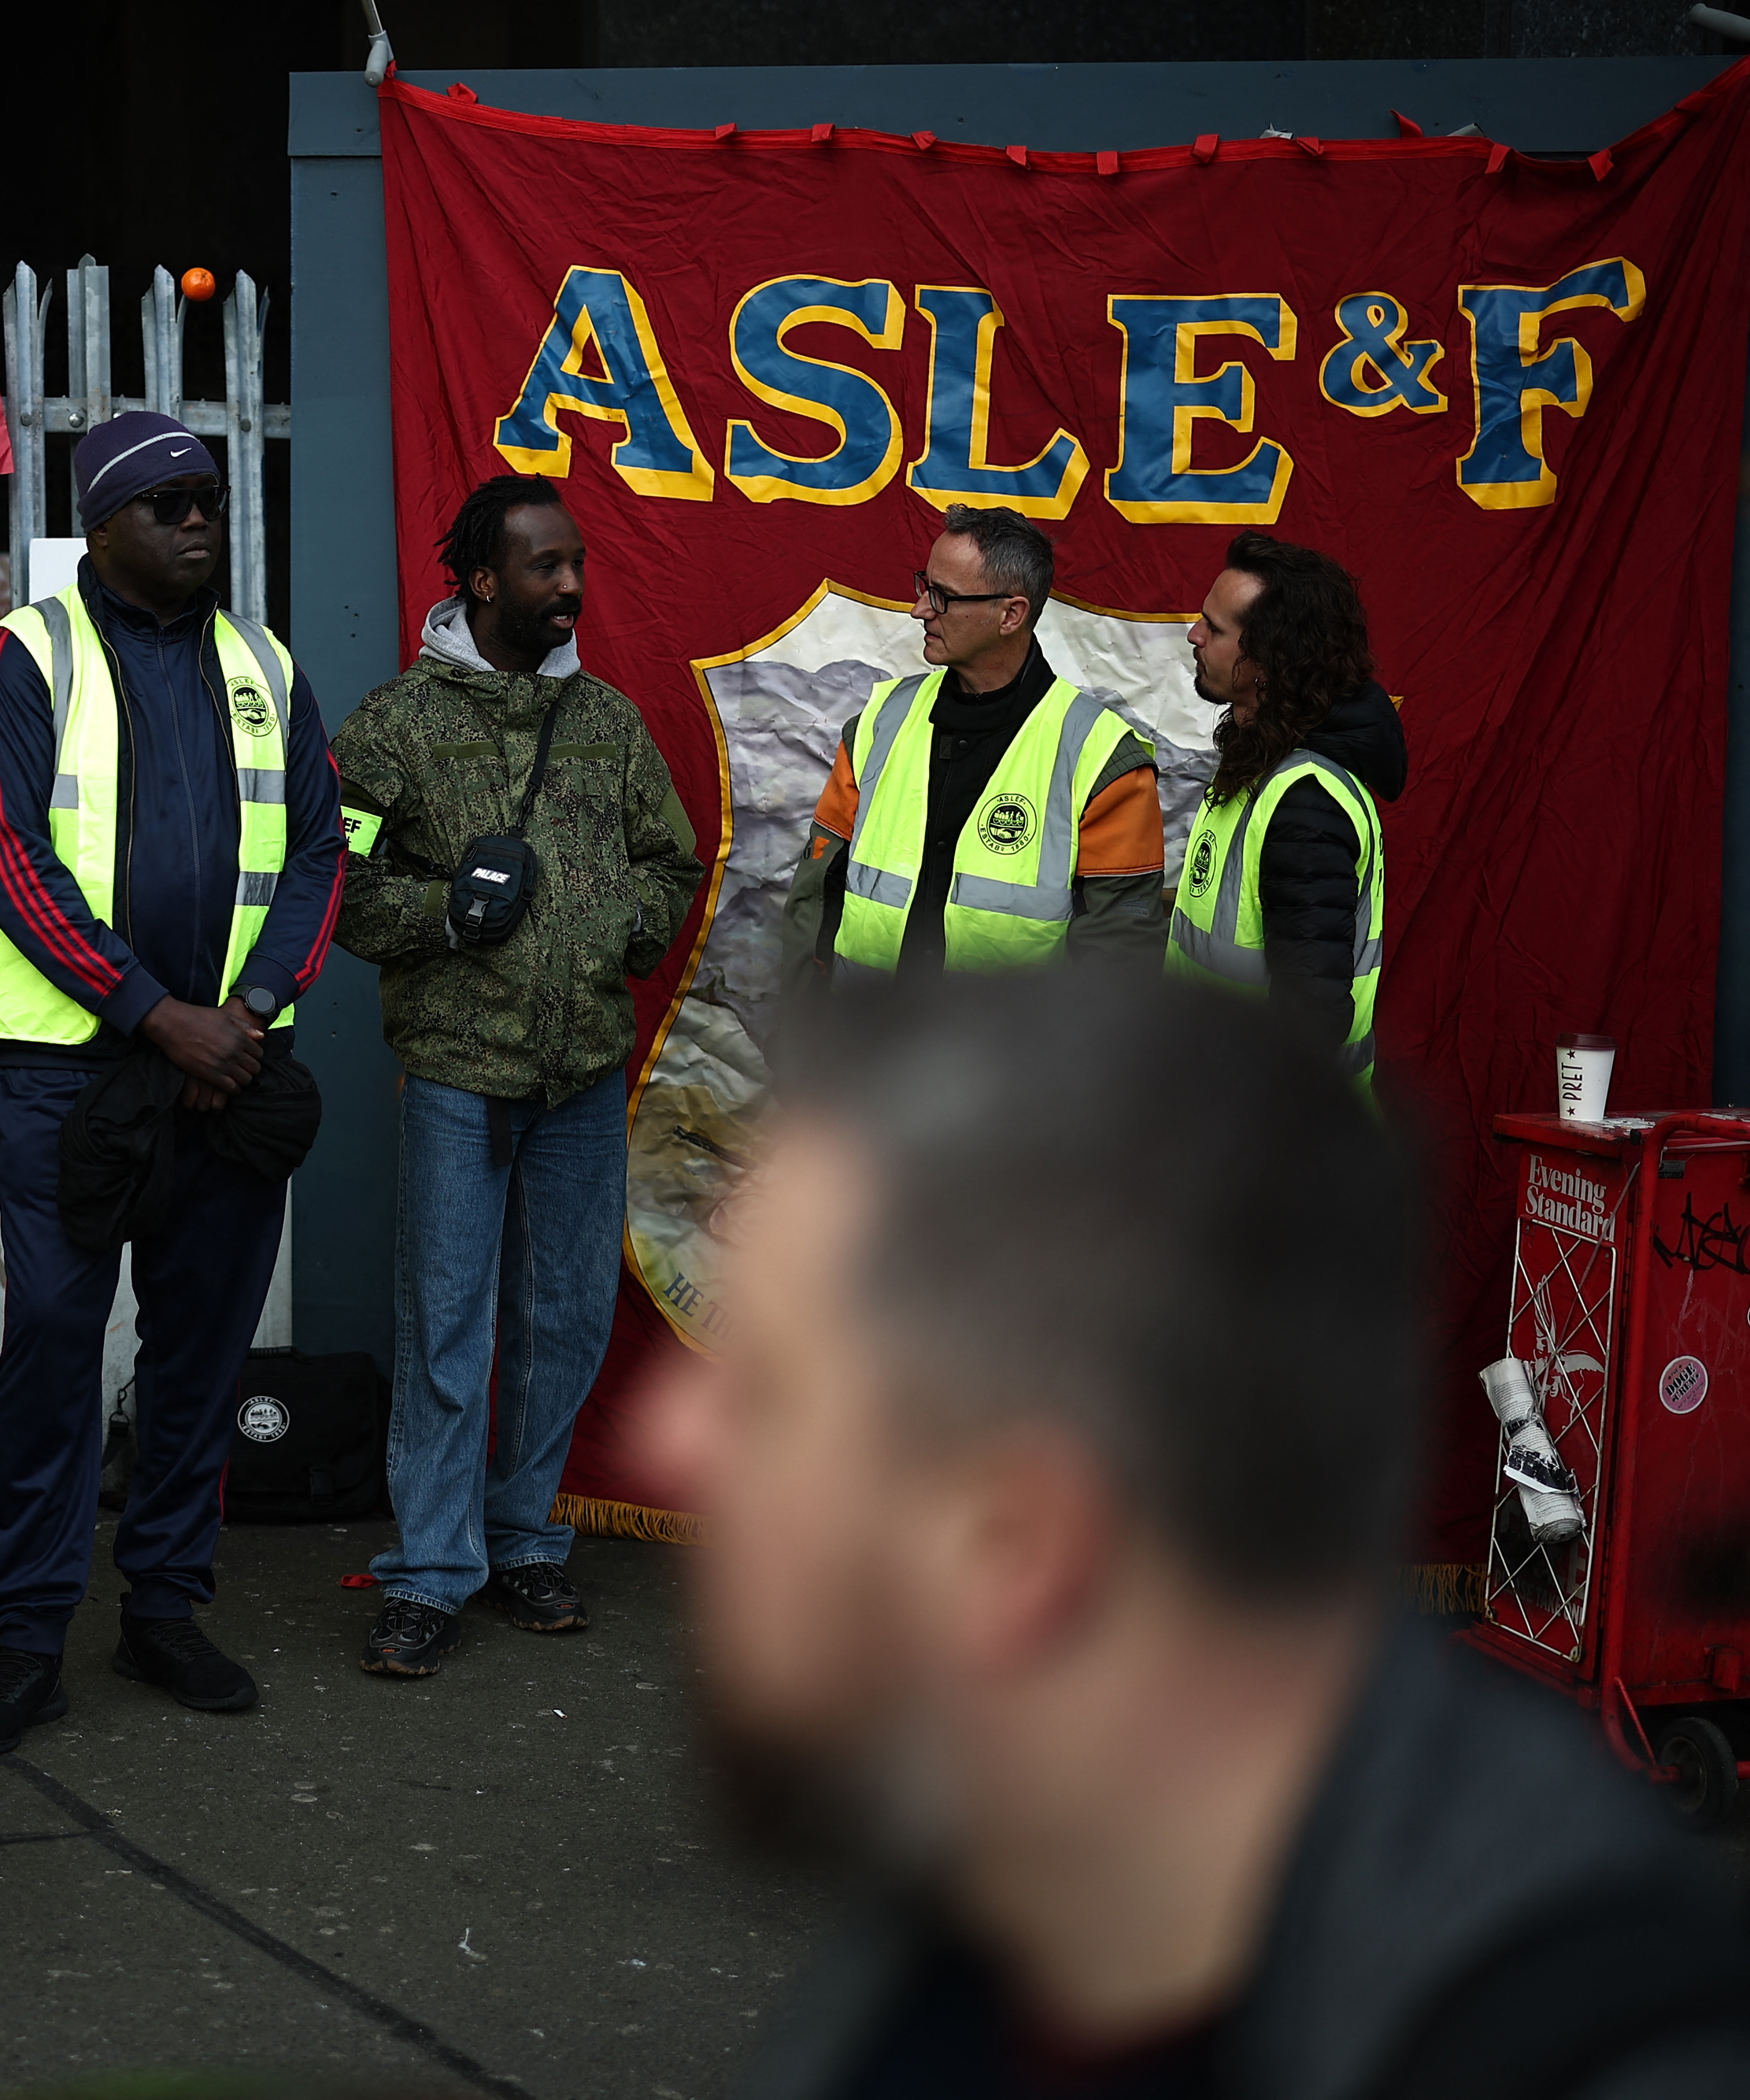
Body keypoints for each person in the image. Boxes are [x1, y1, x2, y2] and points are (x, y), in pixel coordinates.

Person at [649, 970, 1750, 2098]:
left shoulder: (1572, 2036)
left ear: (1021, 1545)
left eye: (769, 1394)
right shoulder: (972, 1926)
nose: (663, 1441)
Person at [0, 408, 345, 1756]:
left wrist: (252, 1010)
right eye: (166, 501)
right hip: (75, 1078)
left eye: (209, 498)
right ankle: (26, 1635)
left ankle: (166, 1605)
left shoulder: (265, 664)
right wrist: (155, 1014)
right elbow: (8, 860)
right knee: (55, 1352)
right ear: (101, 525)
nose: (197, 519)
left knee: (202, 1355)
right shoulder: (22, 659)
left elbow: (319, 859)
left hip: (230, 1071)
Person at [331, 476, 704, 1676]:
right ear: (483, 581)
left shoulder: (606, 720)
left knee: (563, 1317)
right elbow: (327, 878)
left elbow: (671, 856)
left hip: (583, 1074)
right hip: (456, 1072)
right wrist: (443, 915)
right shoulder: (394, 724)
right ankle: (432, 1572)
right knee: (448, 1324)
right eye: (545, 566)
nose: (571, 586)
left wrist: (620, 934)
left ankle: (526, 1534)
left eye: (577, 563)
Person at [783, 506, 1160, 980]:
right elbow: (816, 894)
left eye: (942, 597)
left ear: (1011, 614)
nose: (921, 608)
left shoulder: (1103, 758)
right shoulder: (878, 725)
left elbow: (1119, 951)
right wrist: (805, 1029)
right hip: (861, 1042)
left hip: (1011, 1055)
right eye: (925, 586)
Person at [1167, 533, 1404, 1092]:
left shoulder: (1306, 803)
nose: (1194, 635)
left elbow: (1309, 1022)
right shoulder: (1259, 766)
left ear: (1270, 662)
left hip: (1270, 1148)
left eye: (1216, 628)